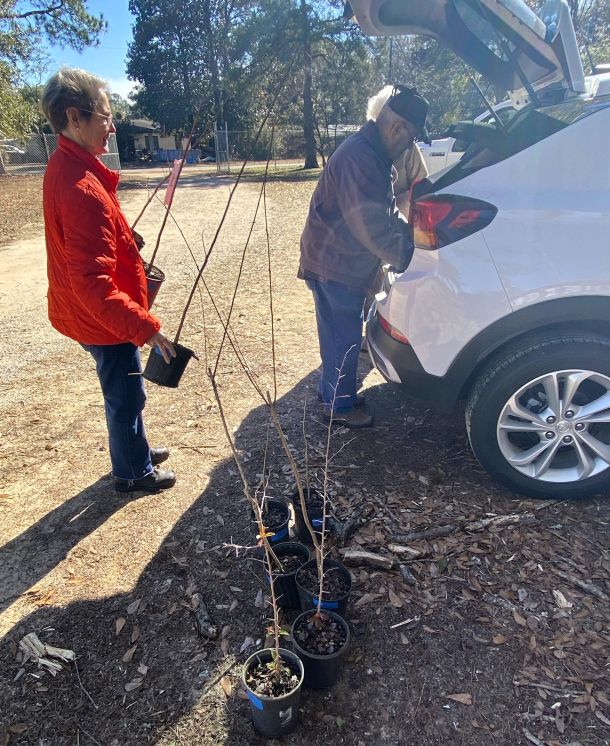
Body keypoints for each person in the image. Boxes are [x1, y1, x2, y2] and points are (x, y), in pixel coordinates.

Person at [41, 67, 177, 492]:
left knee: (125, 390)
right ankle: (133, 472)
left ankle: (134, 451)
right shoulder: (80, 185)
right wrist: (145, 328)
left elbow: (83, 242)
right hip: (102, 320)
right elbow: (93, 283)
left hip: (88, 313)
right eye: (104, 116)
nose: (112, 126)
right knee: (125, 395)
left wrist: (124, 237)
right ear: (74, 117)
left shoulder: (68, 165)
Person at [299, 85, 430, 429]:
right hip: (335, 263)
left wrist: (408, 238)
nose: (410, 146)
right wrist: (409, 256)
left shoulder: (370, 151)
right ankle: (339, 407)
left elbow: (379, 215)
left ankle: (332, 392)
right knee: (343, 337)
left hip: (334, 258)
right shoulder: (362, 157)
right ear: (397, 128)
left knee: (335, 334)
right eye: (411, 137)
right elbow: (370, 226)